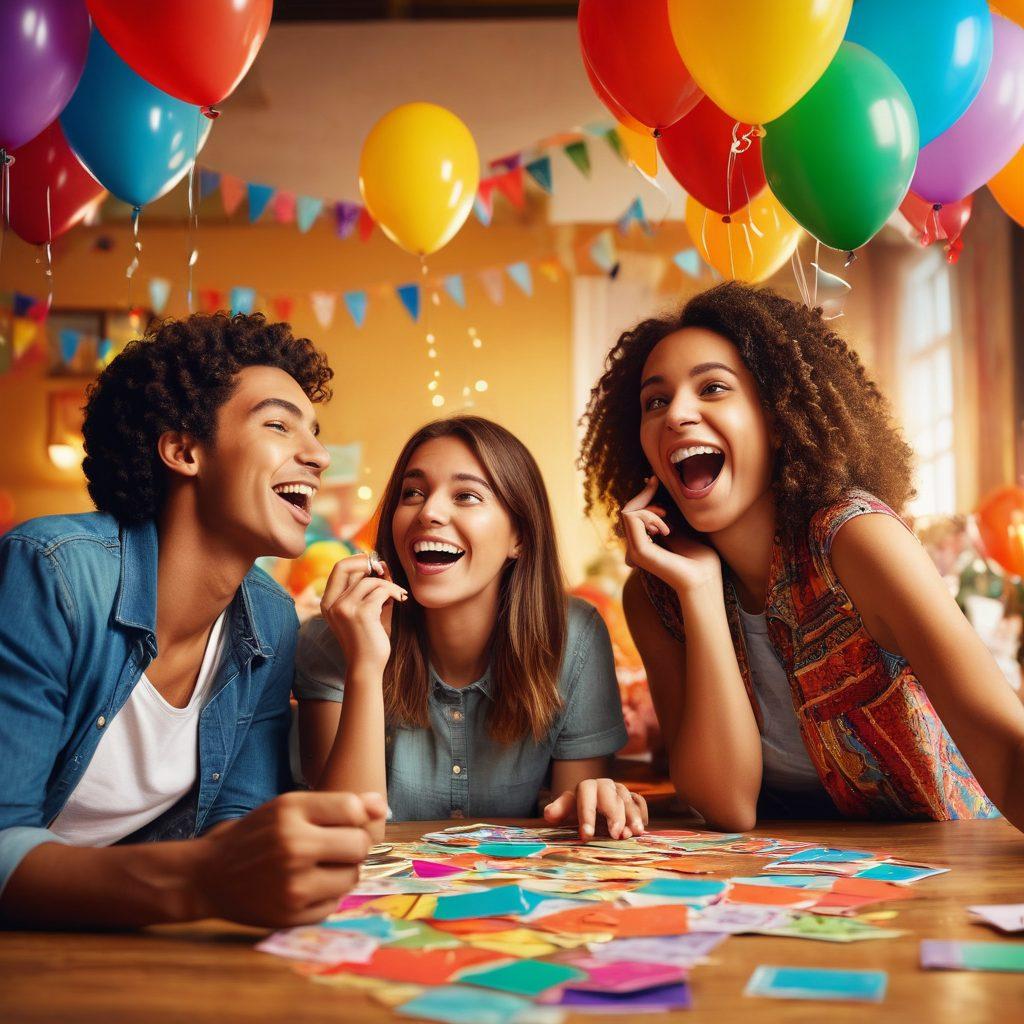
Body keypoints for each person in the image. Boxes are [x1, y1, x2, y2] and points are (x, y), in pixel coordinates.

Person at [579, 282, 1024, 833]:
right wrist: (697, 591)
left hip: (949, 857)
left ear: (777, 414)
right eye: (656, 401)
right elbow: (727, 805)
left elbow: (1007, 751)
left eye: (713, 388)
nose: (677, 415)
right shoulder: (656, 594)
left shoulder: (858, 540)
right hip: (788, 883)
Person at [0, 312, 382, 930]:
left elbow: (239, 821)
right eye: (280, 425)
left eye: (315, 433)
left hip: (125, 940)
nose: (316, 455)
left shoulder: (271, 618)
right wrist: (202, 879)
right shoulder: (53, 575)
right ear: (184, 450)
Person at [295, 416, 642, 842]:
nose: (429, 512)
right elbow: (347, 837)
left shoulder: (576, 638)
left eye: (466, 496)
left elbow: (574, 828)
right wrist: (365, 664)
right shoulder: (332, 638)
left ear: (521, 537)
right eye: (413, 493)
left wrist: (596, 798)